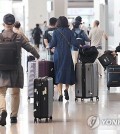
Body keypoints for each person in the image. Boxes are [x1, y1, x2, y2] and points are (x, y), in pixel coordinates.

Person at [0, 14, 40, 126]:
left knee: (1, 92)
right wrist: (37, 55)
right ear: (13, 24)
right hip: (15, 69)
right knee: (15, 93)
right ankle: (13, 117)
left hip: (1, 69)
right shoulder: (18, 37)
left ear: (3, 24)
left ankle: (2, 110)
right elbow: (29, 48)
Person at [50, 16, 79, 102]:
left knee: (58, 72)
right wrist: (80, 45)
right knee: (67, 72)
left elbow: (53, 43)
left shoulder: (55, 32)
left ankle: (60, 94)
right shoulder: (70, 32)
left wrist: (49, 46)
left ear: (58, 23)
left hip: (58, 55)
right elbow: (75, 43)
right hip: (67, 54)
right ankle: (66, 90)